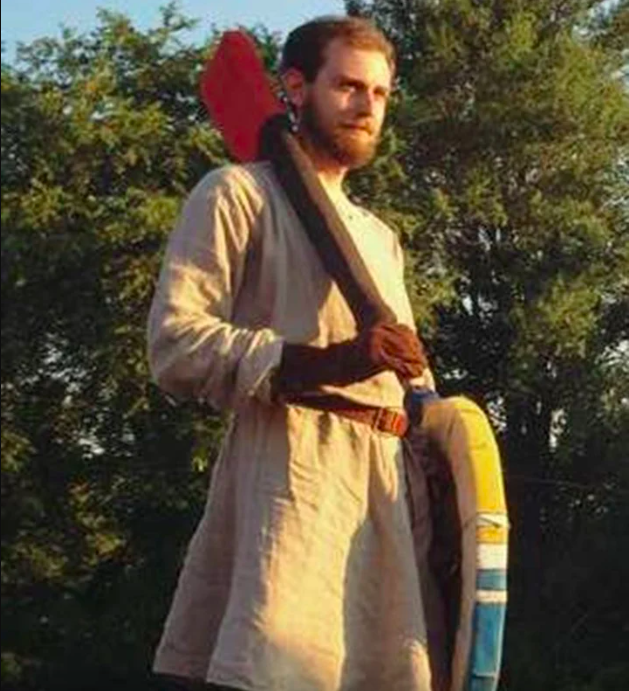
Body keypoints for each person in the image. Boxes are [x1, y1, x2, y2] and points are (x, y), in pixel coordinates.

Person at [148, 15, 436, 691]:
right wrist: (331, 361)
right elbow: (175, 344)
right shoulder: (235, 193)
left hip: (388, 490)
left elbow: (407, 382)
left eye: (380, 93)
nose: (366, 106)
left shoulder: (379, 237)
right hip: (289, 471)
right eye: (348, 86)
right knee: (274, 666)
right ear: (296, 87)